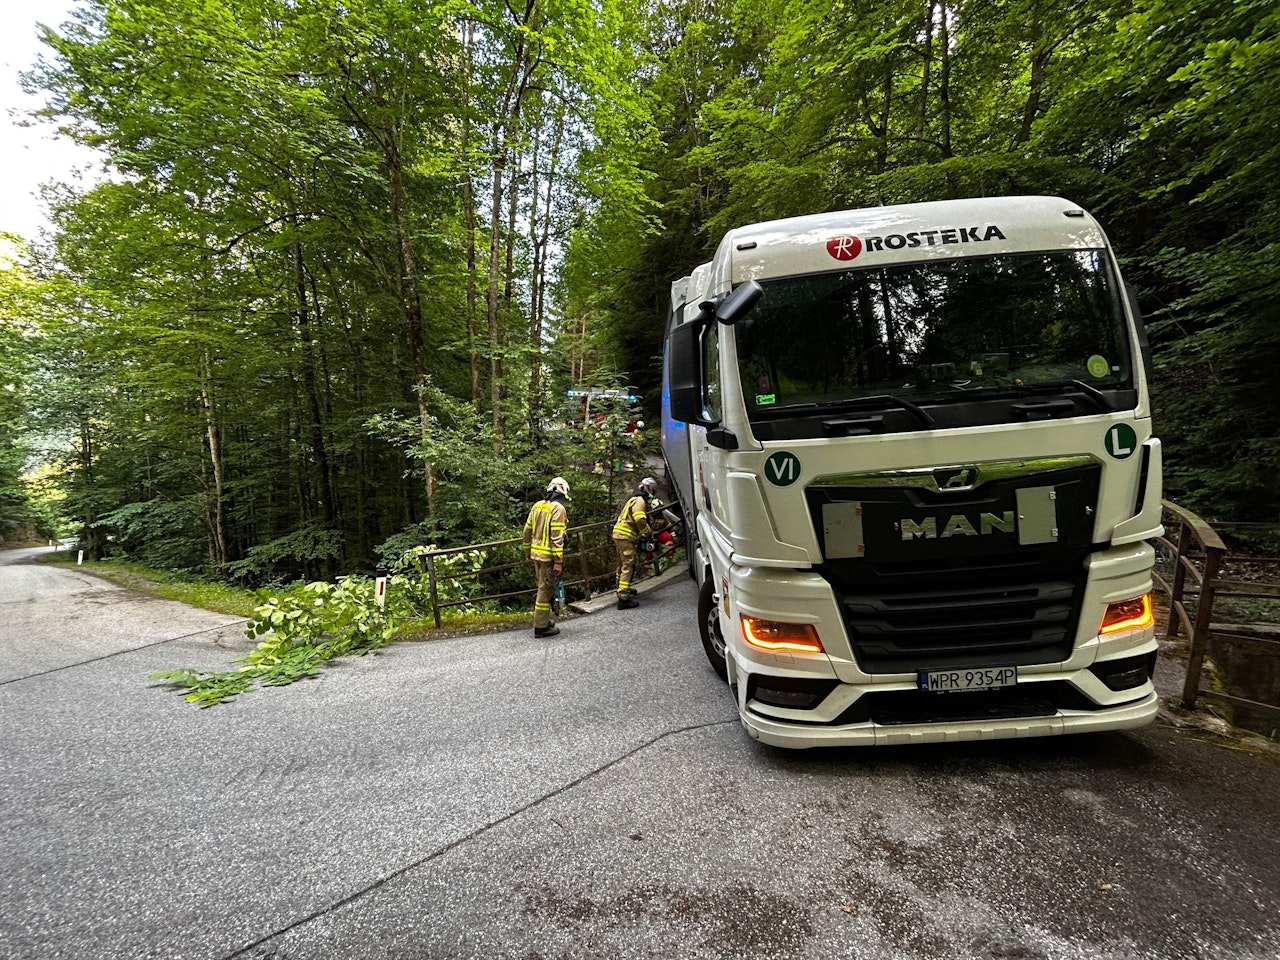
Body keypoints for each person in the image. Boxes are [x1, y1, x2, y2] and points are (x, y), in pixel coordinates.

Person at [523, 476, 570, 638]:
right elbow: (557, 537)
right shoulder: (558, 509)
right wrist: (558, 561)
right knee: (545, 590)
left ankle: (544, 620)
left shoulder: (537, 506)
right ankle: (541, 627)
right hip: (548, 557)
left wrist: (527, 551)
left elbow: (526, 531)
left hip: (536, 555)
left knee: (542, 587)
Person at [611, 476, 657, 609]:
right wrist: (648, 532)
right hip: (625, 536)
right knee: (628, 564)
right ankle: (623, 598)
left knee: (622, 563)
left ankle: (621, 588)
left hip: (619, 534)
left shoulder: (633, 499)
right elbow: (640, 520)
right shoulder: (640, 501)